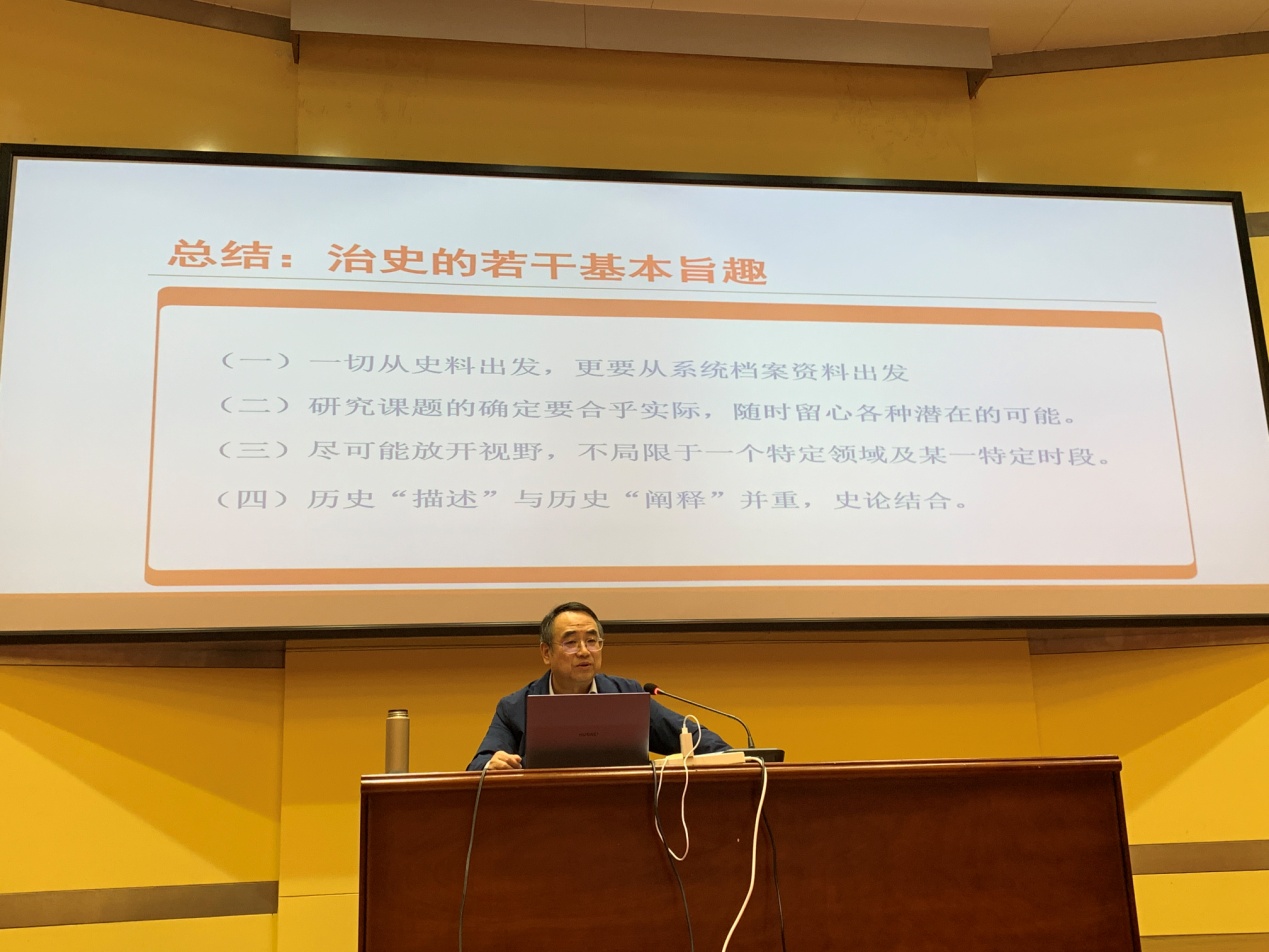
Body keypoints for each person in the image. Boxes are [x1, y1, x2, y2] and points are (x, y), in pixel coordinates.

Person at [467, 601, 730, 770]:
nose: (584, 651)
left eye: (592, 641)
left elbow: (691, 736)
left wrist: (735, 757)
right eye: (571, 643)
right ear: (546, 653)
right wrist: (492, 764)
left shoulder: (626, 695)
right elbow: (479, 764)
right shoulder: (515, 707)